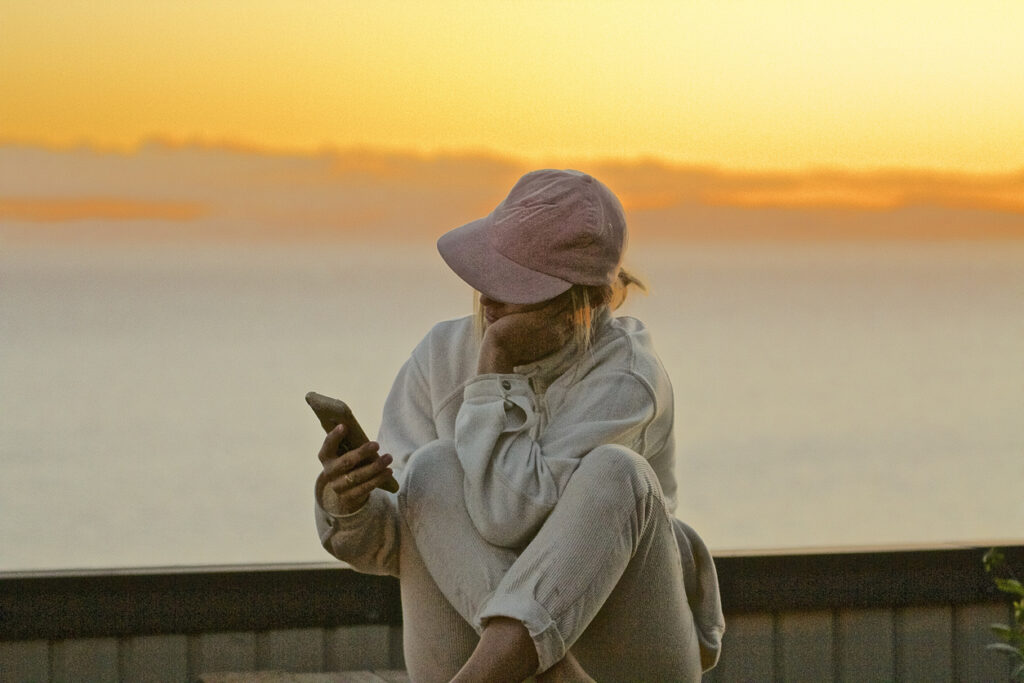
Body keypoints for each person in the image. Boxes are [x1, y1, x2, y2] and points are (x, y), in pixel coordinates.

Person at [314, 169, 725, 682]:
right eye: (488, 273)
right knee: (431, 469)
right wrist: (347, 507)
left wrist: (494, 370)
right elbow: (406, 544)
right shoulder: (441, 356)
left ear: (590, 299)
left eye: (514, 285)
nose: (487, 298)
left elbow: (509, 516)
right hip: (496, 660)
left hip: (621, 661)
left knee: (619, 474)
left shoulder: (627, 378)